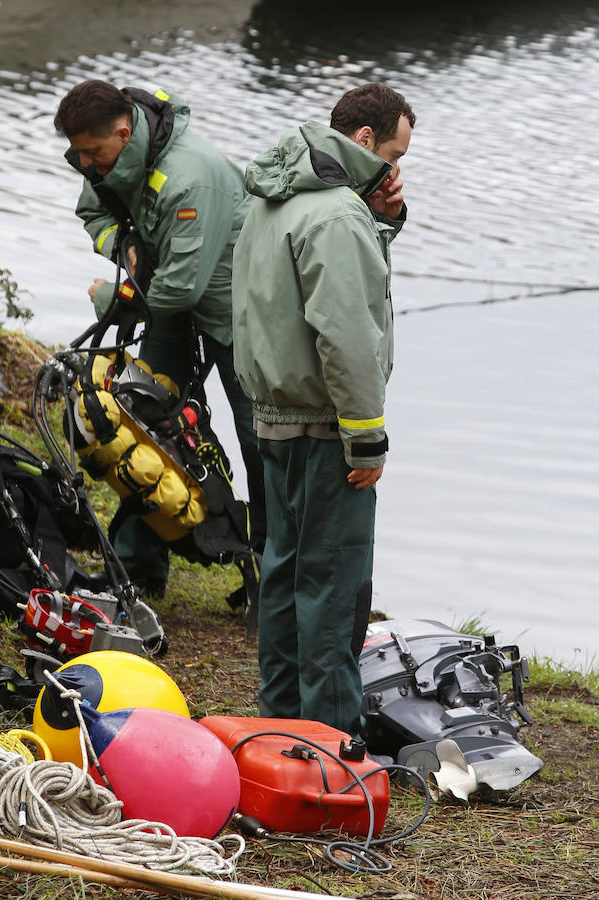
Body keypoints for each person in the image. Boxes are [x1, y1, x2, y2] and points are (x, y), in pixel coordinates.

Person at [231, 83, 415, 736]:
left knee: (282, 577)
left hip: (272, 417)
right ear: (363, 142)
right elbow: (347, 331)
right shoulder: (337, 214)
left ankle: (278, 729)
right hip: (326, 429)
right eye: (394, 156)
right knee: (334, 589)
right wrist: (367, 440)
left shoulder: (273, 196)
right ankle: (333, 745)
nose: (396, 171)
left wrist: (381, 220)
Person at [54, 80, 265, 596]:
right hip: (172, 301)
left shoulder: (191, 180)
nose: (87, 164)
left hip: (237, 316)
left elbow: (177, 289)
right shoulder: (103, 157)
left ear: (124, 133)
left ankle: (271, 576)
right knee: (140, 421)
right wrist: (125, 246)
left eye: (93, 153)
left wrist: (114, 297)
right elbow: (94, 214)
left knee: (261, 446)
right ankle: (139, 570)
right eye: (79, 154)